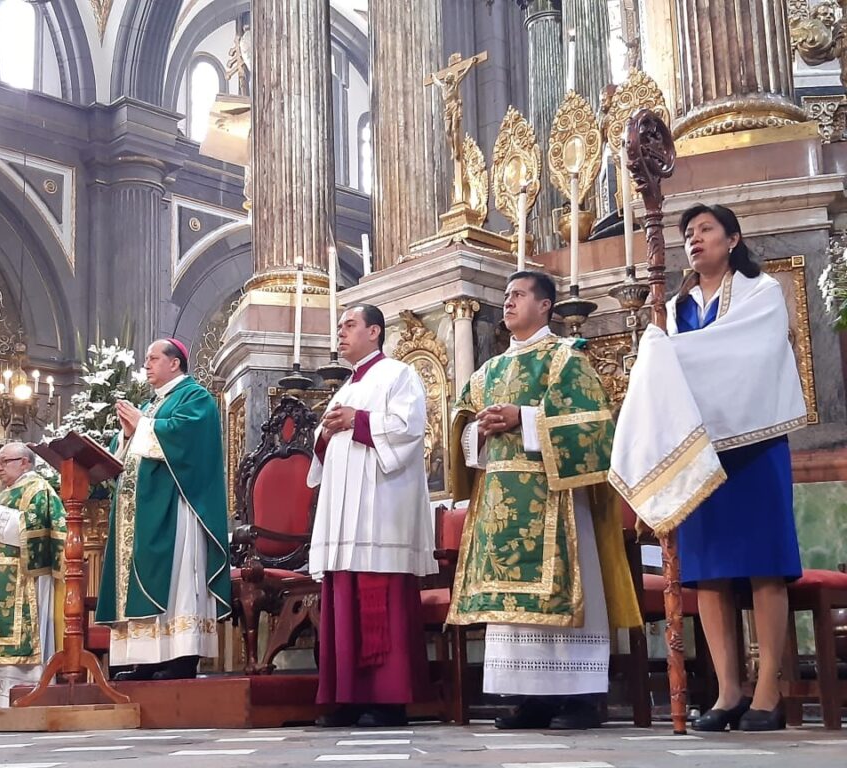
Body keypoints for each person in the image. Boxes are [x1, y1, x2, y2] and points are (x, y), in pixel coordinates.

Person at [611, 204, 806, 732]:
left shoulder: (761, 293)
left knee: (764, 564)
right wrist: (656, 351)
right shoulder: (673, 310)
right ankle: (728, 692)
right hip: (698, 452)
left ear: (733, 238)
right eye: (688, 234)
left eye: (705, 230)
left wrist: (666, 354)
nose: (694, 240)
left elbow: (749, 354)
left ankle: (770, 690)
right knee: (710, 571)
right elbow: (663, 374)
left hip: (755, 443)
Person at [446, 271, 641, 730]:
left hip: (557, 498)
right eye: (507, 296)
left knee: (569, 591)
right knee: (513, 612)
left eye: (518, 295)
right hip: (500, 500)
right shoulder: (487, 371)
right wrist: (480, 430)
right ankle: (530, 696)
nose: (508, 303)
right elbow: (461, 427)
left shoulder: (565, 359)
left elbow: (595, 424)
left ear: (546, 306)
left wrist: (526, 419)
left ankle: (581, 697)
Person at [308, 304, 437, 728]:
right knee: (344, 594)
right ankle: (346, 696)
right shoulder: (345, 385)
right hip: (345, 512)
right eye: (339, 327)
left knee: (376, 594)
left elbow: (409, 428)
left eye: (349, 325)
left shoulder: (398, 375)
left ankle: (386, 699)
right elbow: (324, 452)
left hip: (380, 507)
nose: (340, 333)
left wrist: (357, 421)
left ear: (375, 332)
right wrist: (325, 433)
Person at [95, 338, 231, 681]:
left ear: (175, 363)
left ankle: (182, 656)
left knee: (177, 581)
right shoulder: (150, 404)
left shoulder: (194, 396)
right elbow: (121, 455)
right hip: (138, 514)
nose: (146, 365)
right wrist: (126, 436)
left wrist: (142, 425)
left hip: (176, 510)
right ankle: (147, 659)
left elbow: (187, 440)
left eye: (152, 358)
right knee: (141, 584)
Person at [0, 442, 66, 707]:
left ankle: (24, 691)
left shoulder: (38, 488)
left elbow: (40, 530)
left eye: (5, 462)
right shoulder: (5, 494)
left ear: (25, 462)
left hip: (23, 579)